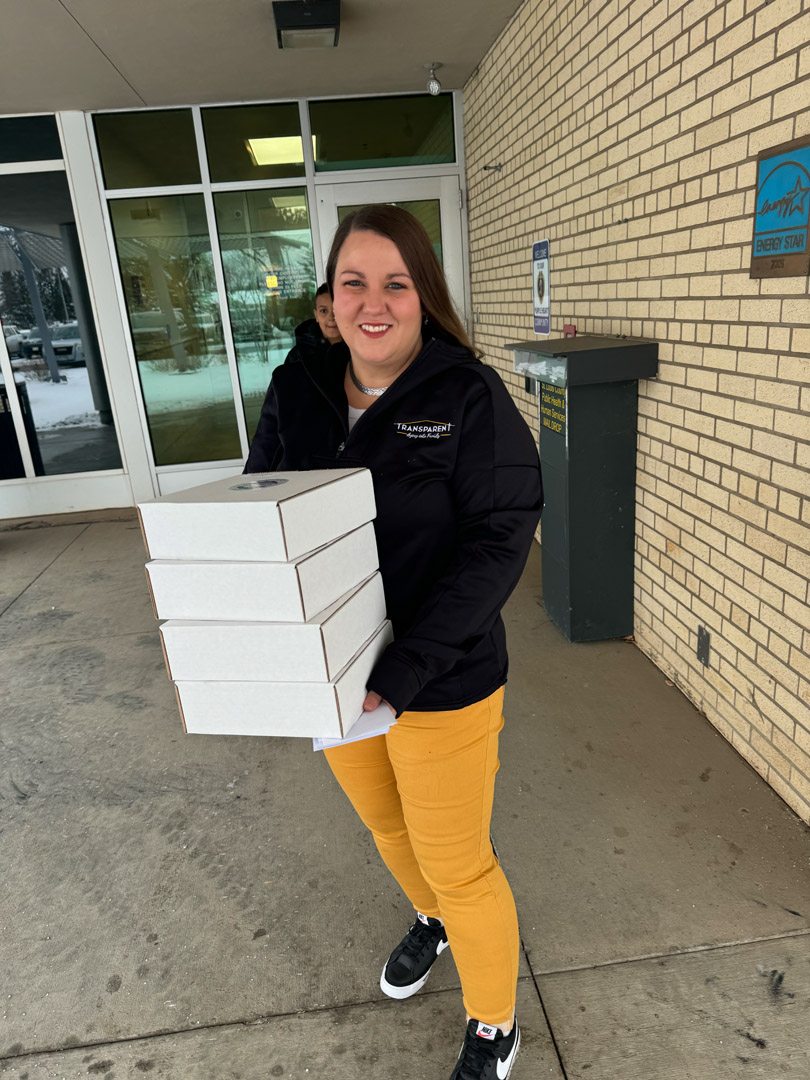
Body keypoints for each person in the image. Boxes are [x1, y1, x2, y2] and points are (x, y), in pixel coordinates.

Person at [245, 205, 542, 1080]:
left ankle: (496, 1027)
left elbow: (500, 538)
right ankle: (433, 920)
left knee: (460, 859)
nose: (374, 302)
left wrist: (407, 669)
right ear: (329, 302)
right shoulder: (297, 384)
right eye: (353, 283)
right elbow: (264, 505)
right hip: (332, 677)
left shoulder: (466, 395)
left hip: (441, 679)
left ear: (423, 297)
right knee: (387, 828)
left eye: (395, 283)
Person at [282, 282, 342, 364]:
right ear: (316, 315)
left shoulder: (360, 350)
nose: (331, 317)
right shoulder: (299, 356)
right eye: (323, 311)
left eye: (337, 310)